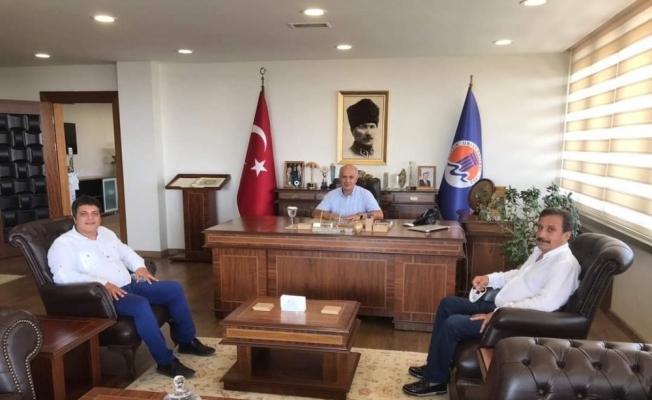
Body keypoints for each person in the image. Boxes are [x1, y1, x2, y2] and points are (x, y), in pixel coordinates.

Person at [402, 208, 581, 397]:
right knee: (448, 304)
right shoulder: (542, 252)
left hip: (514, 322)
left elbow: (545, 304)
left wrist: (498, 314)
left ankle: (435, 381)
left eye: (550, 229)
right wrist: (490, 279)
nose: (541, 234)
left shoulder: (564, 265)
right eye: (540, 227)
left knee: (453, 324)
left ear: (566, 235)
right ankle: (435, 366)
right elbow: (519, 275)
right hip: (500, 309)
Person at [47, 195, 215, 379]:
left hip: (130, 284)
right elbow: (63, 277)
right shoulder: (63, 245)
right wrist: (102, 284)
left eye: (95, 213)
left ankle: (187, 341)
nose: (90, 218)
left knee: (173, 289)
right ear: (75, 218)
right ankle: (165, 362)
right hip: (103, 297)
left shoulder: (105, 233)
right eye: (84, 214)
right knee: (140, 305)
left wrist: (139, 267)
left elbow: (126, 252)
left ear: (100, 217)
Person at [312, 164, 383, 221]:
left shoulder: (366, 194)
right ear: (340, 178)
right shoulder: (331, 195)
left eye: (351, 177)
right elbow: (315, 213)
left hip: (358, 231)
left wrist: (360, 216)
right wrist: (329, 215)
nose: (347, 181)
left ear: (356, 179)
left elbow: (379, 214)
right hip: (337, 231)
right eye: (344, 177)